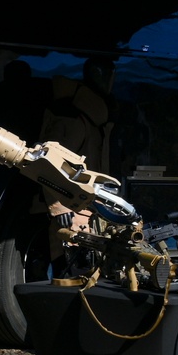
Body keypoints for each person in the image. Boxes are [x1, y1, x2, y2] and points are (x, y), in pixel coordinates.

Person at [38, 56, 117, 277]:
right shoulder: (74, 117)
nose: (111, 81)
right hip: (71, 211)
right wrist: (59, 207)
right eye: (107, 74)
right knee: (70, 273)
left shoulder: (95, 118)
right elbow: (49, 162)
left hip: (88, 208)